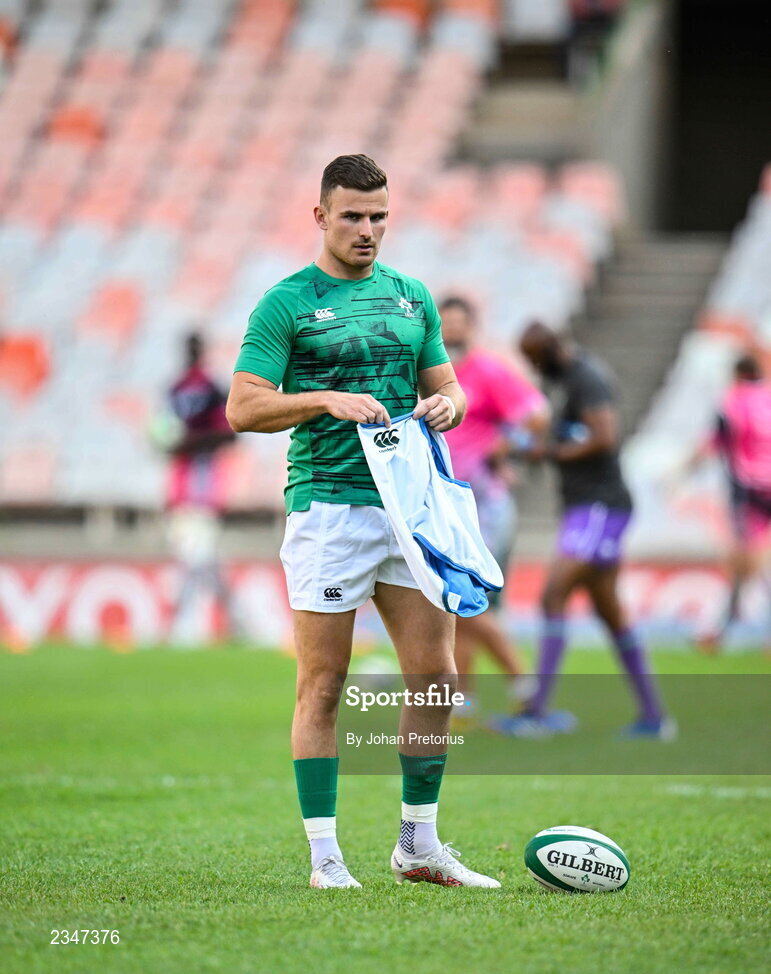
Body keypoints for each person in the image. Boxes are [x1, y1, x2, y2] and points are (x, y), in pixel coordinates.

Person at [227, 155, 500, 889]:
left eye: (379, 216)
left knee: (436, 676)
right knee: (323, 684)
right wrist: (321, 399)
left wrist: (450, 405)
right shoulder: (286, 303)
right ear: (320, 217)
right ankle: (324, 856)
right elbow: (243, 406)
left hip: (408, 513)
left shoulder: (412, 297)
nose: (367, 229)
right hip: (328, 509)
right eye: (352, 215)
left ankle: (417, 845)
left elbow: (448, 388)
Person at [492, 321, 673, 739]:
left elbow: (605, 437)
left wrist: (547, 452)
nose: (534, 367)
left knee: (554, 592)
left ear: (551, 351)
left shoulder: (586, 378)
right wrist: (528, 447)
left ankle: (536, 711)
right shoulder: (565, 381)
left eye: (536, 359)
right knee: (610, 613)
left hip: (600, 505)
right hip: (585, 506)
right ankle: (654, 718)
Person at [439, 295, 549, 715]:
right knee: (457, 601)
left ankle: (525, 686)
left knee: (467, 598)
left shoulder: (486, 371)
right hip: (447, 505)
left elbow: (537, 415)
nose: (451, 331)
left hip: (484, 505)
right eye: (444, 323)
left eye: (458, 323)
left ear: (472, 327)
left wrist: (505, 450)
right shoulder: (429, 373)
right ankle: (464, 697)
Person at [686, 353, 771, 651]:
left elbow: (712, 441)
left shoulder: (733, 402)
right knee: (745, 561)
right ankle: (720, 627)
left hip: (748, 489)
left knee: (748, 560)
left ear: (737, 374)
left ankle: (722, 627)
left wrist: (683, 471)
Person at [162, 332, 238, 642]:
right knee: (200, 560)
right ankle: (237, 619)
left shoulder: (211, 388)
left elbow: (230, 432)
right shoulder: (174, 389)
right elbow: (163, 438)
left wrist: (189, 441)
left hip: (206, 488)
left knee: (196, 558)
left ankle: (183, 626)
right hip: (181, 488)